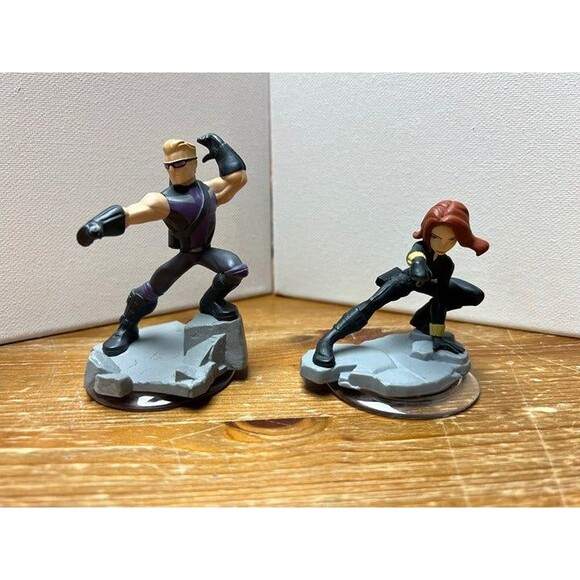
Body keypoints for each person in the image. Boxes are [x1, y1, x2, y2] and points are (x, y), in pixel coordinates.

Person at [77, 133, 248, 356]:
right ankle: (126, 327)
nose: (172, 171)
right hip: (186, 254)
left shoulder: (208, 190)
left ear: (194, 163)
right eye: (168, 166)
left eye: (178, 164)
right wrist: (98, 225)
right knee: (149, 291)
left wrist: (220, 148)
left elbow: (238, 178)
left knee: (235, 269)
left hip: (205, 251)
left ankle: (211, 301)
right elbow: (131, 213)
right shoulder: (164, 201)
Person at [312, 200, 489, 368]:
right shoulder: (420, 248)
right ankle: (328, 339)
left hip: (429, 283)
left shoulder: (446, 265)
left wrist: (437, 336)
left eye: (451, 240)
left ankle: (422, 320)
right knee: (372, 303)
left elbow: (441, 299)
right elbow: (415, 255)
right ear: (427, 233)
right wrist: (418, 264)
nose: (443, 245)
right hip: (407, 280)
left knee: (472, 295)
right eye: (436, 237)